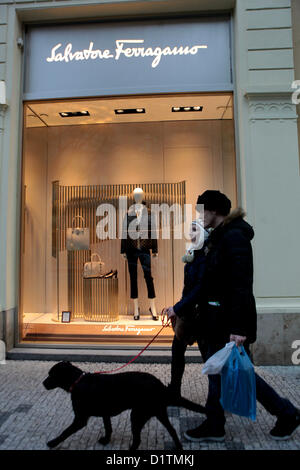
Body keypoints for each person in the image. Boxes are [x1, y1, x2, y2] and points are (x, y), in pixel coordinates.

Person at [170, 190, 300, 442]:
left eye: (202, 210)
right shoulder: (219, 238)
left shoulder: (234, 238)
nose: (200, 216)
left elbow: (241, 285)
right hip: (214, 319)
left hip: (227, 321)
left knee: (236, 373)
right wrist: (182, 308)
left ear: (214, 211)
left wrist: (239, 328)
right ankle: (217, 423)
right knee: (220, 372)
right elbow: (208, 283)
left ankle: (285, 412)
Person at [163, 219, 209, 397]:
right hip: (189, 314)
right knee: (178, 349)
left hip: (200, 315)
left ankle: (219, 397)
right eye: (190, 230)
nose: (190, 233)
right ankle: (174, 389)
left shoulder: (203, 257)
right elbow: (188, 289)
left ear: (203, 234)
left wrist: (177, 308)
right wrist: (177, 308)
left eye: (194, 230)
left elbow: (199, 289)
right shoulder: (193, 254)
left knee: (208, 356)